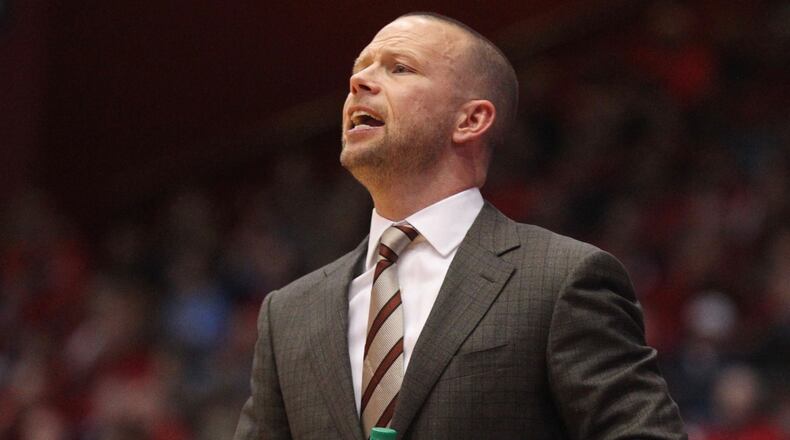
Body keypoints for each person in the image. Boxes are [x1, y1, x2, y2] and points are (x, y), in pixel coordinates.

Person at [234, 12, 686, 440]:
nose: (358, 81)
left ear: (470, 120)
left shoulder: (562, 279)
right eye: (361, 68)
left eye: (400, 68)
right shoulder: (288, 314)